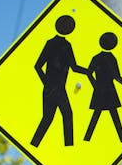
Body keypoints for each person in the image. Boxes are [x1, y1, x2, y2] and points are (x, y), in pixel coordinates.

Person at [31, 14, 87, 147]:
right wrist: (47, 84)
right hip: (55, 89)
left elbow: (73, 67)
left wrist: (88, 71)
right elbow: (38, 66)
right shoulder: (58, 45)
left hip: (55, 88)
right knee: (62, 116)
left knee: (52, 118)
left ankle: (35, 144)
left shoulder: (61, 45)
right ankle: (67, 146)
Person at [83, 32, 122, 142]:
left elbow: (89, 73)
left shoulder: (99, 57)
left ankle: (121, 139)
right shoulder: (110, 58)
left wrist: (95, 85)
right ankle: (121, 139)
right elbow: (117, 77)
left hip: (104, 90)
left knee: (105, 115)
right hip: (108, 90)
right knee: (106, 115)